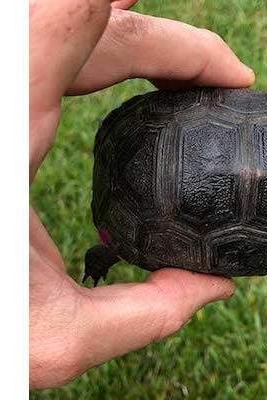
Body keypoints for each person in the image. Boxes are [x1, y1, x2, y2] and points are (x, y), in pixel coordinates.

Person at [30, 0, 254, 389]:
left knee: (119, 244)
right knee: (115, 245)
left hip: (151, 137)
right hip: (155, 176)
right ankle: (105, 252)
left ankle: (106, 252)